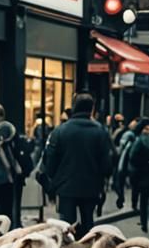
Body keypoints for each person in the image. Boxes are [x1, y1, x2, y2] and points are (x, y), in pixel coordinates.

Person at [43, 93, 113, 239]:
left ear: (74, 107)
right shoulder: (100, 131)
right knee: (88, 222)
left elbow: (50, 160)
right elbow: (106, 162)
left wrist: (53, 179)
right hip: (91, 186)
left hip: (65, 186)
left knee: (67, 226)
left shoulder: (60, 130)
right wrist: (103, 179)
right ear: (91, 109)